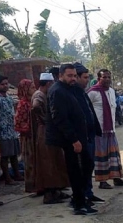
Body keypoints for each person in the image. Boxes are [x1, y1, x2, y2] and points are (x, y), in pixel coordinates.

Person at [46, 63, 98, 215]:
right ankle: (78, 204)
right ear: (60, 76)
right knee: (76, 171)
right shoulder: (57, 91)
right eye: (69, 76)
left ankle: (81, 199)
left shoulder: (74, 89)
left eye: (75, 75)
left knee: (87, 166)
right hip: (69, 140)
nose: (73, 78)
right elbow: (60, 119)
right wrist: (74, 140)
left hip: (81, 137)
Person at [87, 69, 123, 189]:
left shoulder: (111, 91)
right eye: (104, 77)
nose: (107, 79)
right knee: (101, 156)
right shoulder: (92, 92)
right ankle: (102, 181)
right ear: (99, 78)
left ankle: (116, 178)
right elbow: (86, 109)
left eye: (108, 77)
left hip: (111, 129)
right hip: (99, 130)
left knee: (114, 155)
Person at [32, 73, 70, 204]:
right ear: (48, 84)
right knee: (48, 162)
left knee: (55, 161)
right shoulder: (39, 95)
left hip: (49, 130)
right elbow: (36, 106)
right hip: (44, 132)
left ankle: (56, 191)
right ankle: (49, 194)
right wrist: (43, 119)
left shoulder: (45, 94)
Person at [72, 63, 105, 205]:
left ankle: (89, 193)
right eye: (84, 77)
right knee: (82, 168)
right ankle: (81, 197)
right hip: (80, 138)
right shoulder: (71, 94)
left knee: (89, 165)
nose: (87, 80)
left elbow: (89, 112)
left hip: (90, 135)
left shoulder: (82, 93)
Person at [0, 75, 22, 184]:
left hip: (12, 131)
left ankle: (17, 174)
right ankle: (7, 178)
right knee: (5, 156)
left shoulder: (9, 98)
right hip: (3, 131)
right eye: (2, 84)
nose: (5, 86)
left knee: (14, 155)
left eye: (6, 84)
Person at [14, 79, 37, 193]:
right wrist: (28, 129)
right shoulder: (22, 104)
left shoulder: (32, 101)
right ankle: (31, 185)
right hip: (28, 137)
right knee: (30, 161)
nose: (34, 89)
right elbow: (18, 122)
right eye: (32, 87)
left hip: (35, 135)